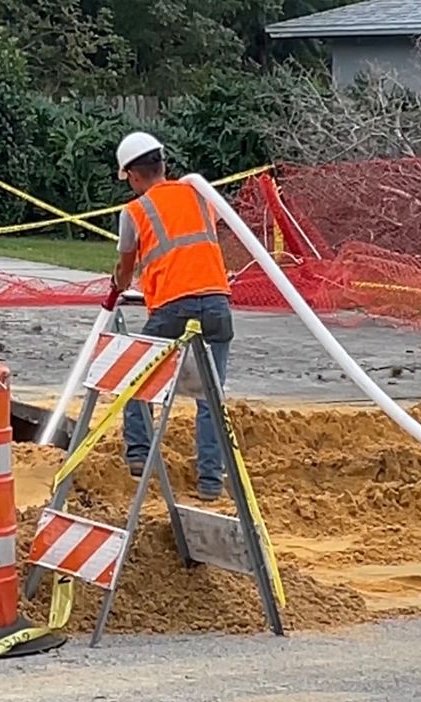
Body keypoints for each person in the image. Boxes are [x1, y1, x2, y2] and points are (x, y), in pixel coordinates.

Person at [111, 131, 234, 502]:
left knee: (137, 378)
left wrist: (116, 286)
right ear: (163, 164)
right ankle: (211, 482)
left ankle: (138, 454)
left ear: (132, 176)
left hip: (171, 307)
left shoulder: (134, 211)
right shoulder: (199, 195)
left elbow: (125, 268)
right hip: (216, 305)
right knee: (211, 397)